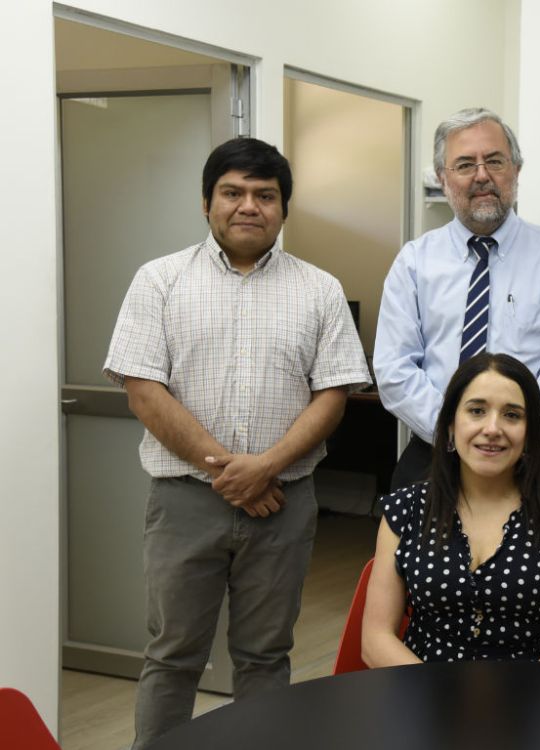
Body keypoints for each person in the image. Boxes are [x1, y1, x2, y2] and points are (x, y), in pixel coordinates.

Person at [104, 138, 371, 749]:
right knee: (172, 656)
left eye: (264, 195)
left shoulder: (320, 289)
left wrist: (268, 468)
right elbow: (143, 390)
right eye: (233, 192)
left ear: (282, 208)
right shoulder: (160, 281)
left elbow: (333, 394)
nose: (248, 206)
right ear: (206, 203)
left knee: (266, 656)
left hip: (284, 502)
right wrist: (230, 472)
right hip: (183, 503)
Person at [374, 108, 540, 491]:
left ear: (516, 171)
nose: (481, 175)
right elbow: (394, 370)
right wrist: (457, 433)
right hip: (433, 454)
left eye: (494, 161)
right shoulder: (414, 261)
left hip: (530, 457)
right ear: (443, 179)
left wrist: (514, 433)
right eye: (464, 165)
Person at [362, 352, 540, 664]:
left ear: (530, 434)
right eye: (476, 411)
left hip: (529, 698)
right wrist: (440, 707)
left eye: (512, 415)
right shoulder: (405, 510)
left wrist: (509, 711)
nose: (492, 428)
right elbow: (375, 639)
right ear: (449, 426)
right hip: (419, 693)